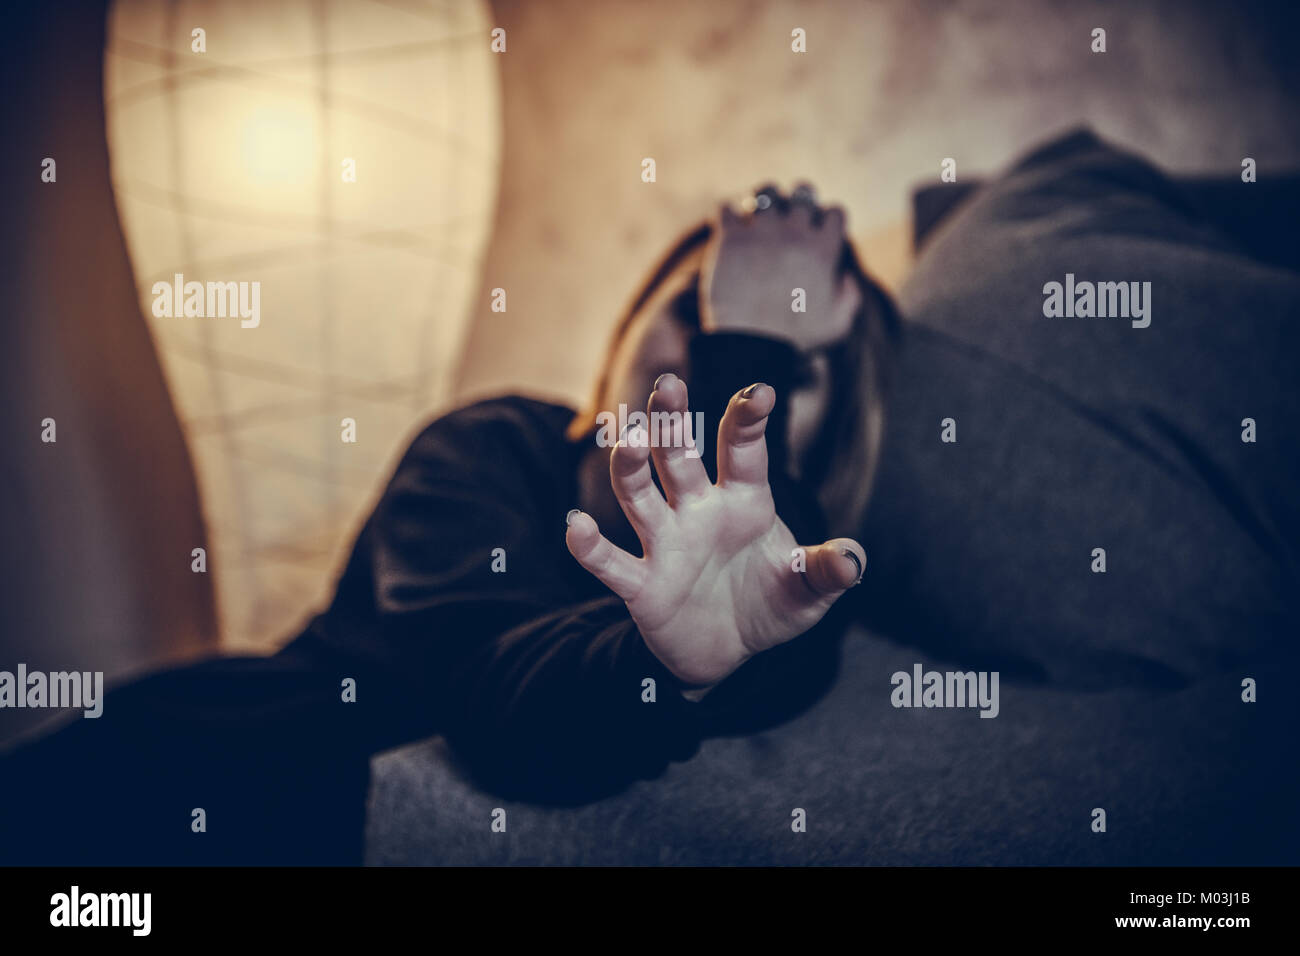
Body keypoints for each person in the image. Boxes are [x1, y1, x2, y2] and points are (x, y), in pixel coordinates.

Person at [0, 185, 896, 863]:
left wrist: (671, 658)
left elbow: (554, 742)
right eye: (697, 317)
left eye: (777, 359)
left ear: (833, 428)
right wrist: (745, 350)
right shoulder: (491, 443)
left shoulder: (799, 583)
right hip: (180, 776)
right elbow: (491, 699)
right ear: (626, 327)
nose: (708, 357)